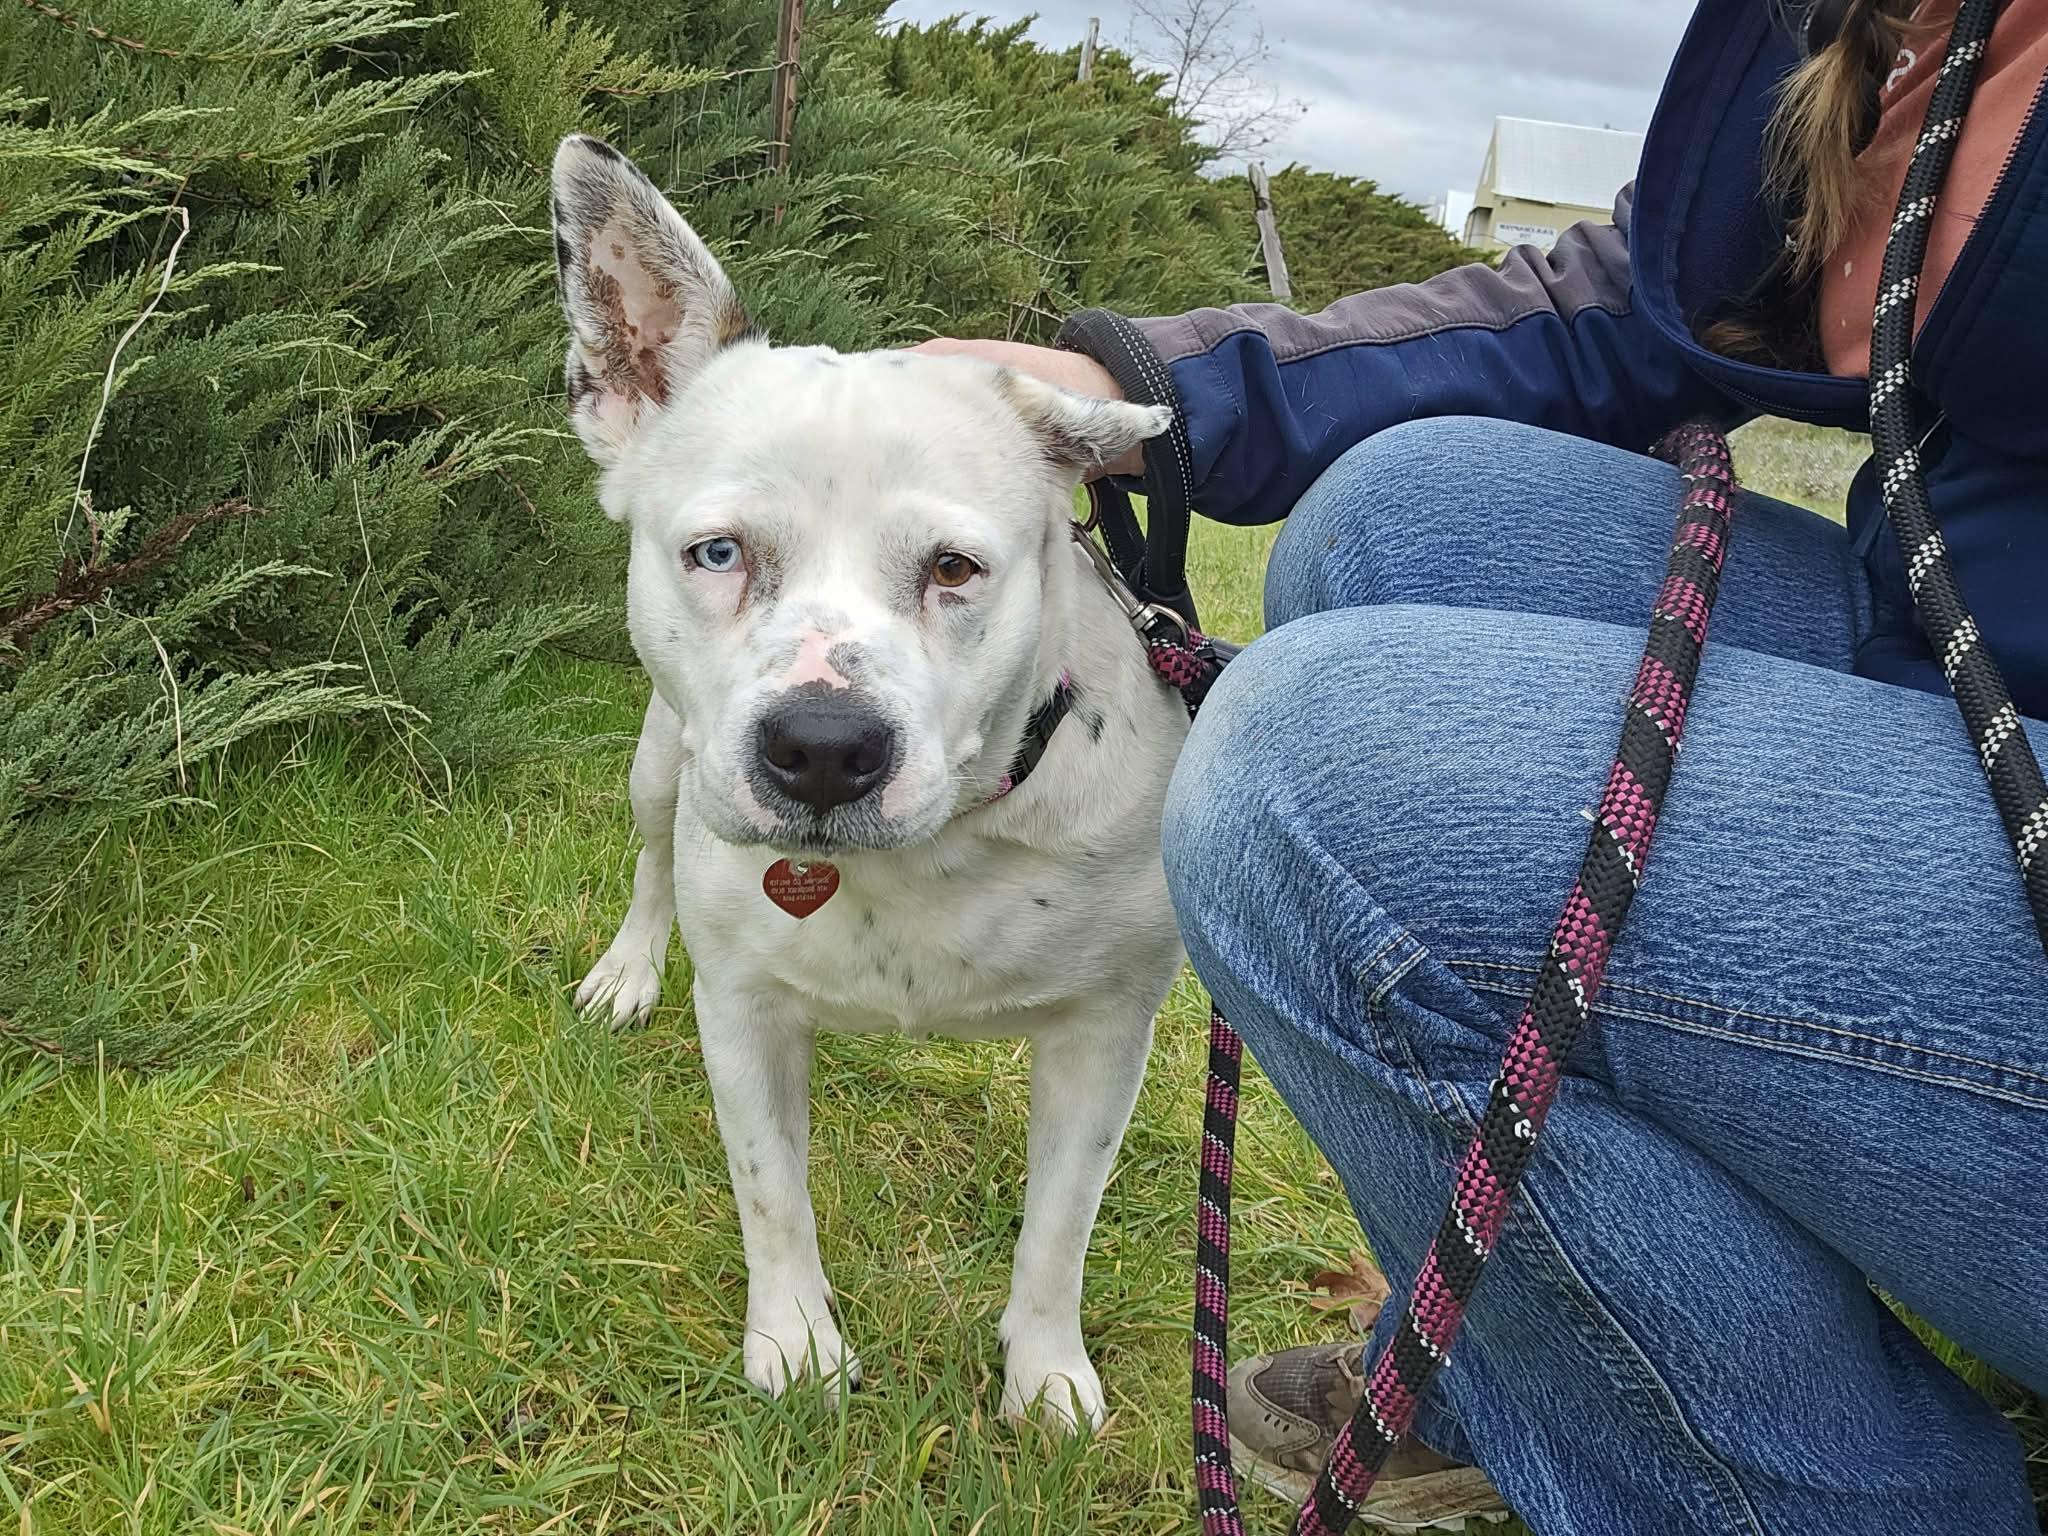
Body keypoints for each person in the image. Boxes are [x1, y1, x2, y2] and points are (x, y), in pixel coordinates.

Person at [918, 1, 2048, 1531]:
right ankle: (1576, 1351)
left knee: (1305, 789)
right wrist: (1156, 393)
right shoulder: (1906, 30)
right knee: (1398, 524)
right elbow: (1631, 309)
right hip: (1959, 633)